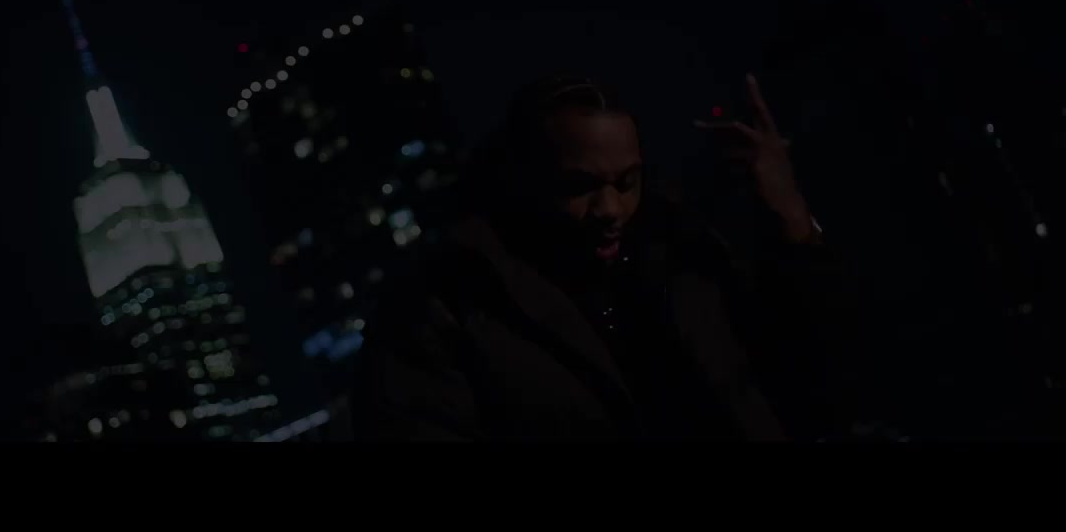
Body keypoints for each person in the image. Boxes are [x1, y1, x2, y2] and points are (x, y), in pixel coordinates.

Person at [353, 74, 860, 441]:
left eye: (627, 182)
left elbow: (824, 374)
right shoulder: (443, 310)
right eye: (579, 186)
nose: (611, 209)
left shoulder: (684, 255)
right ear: (521, 180)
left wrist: (792, 217)